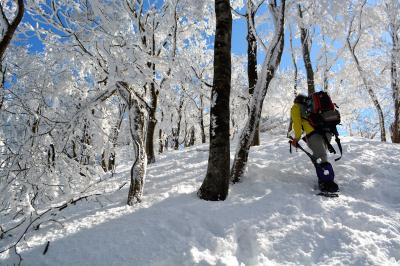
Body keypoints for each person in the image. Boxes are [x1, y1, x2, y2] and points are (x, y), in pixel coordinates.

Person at [290, 94, 339, 193]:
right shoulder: (315, 107)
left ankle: (327, 183)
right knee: (321, 156)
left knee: (321, 157)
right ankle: (325, 180)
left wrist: (297, 138)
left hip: (313, 134)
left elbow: (297, 123)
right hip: (327, 131)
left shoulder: (296, 107)